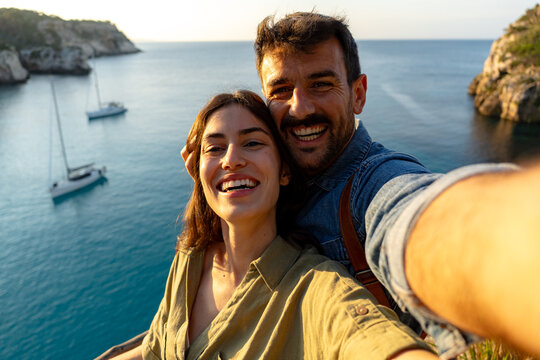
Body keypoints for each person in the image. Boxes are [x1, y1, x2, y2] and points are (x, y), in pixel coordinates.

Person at [181, 12, 540, 359]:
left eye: (321, 84)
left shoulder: (373, 184)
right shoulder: (272, 183)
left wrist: (508, 248)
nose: (300, 107)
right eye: (281, 90)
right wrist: (217, 179)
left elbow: (419, 218)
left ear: (358, 94)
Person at [112, 90, 439, 360]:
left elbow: (369, 339)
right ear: (196, 169)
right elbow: (155, 346)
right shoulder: (190, 258)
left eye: (252, 143)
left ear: (284, 172)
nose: (231, 159)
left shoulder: (313, 287)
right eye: (215, 148)